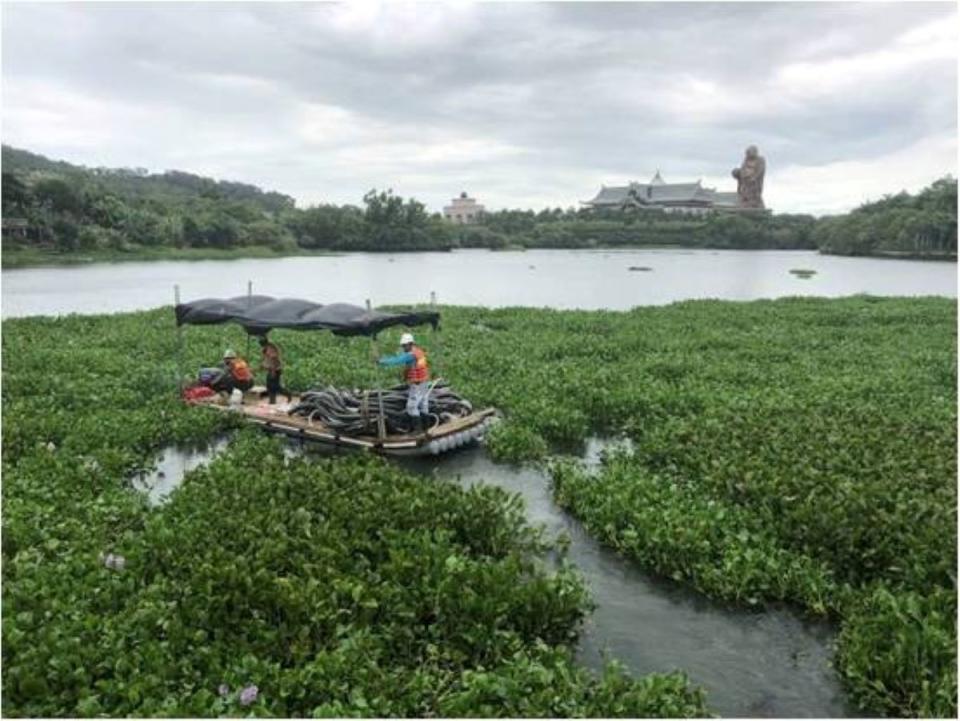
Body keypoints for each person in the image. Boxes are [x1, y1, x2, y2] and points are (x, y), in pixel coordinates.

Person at [378, 332, 431, 432]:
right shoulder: (419, 352)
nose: (403, 348)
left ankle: (418, 430)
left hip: (417, 385)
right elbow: (409, 367)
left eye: (404, 345)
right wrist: (405, 376)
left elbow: (397, 360)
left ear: (410, 344)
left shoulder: (411, 355)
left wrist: (381, 361)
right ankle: (427, 428)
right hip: (424, 383)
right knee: (423, 406)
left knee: (411, 407)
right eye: (403, 346)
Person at [258, 335, 292, 404]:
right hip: (271, 369)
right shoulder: (266, 348)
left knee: (274, 386)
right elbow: (266, 359)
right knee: (270, 386)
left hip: (274, 369)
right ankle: (272, 400)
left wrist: (273, 371)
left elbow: (274, 359)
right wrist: (262, 366)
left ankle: (286, 394)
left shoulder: (270, 348)